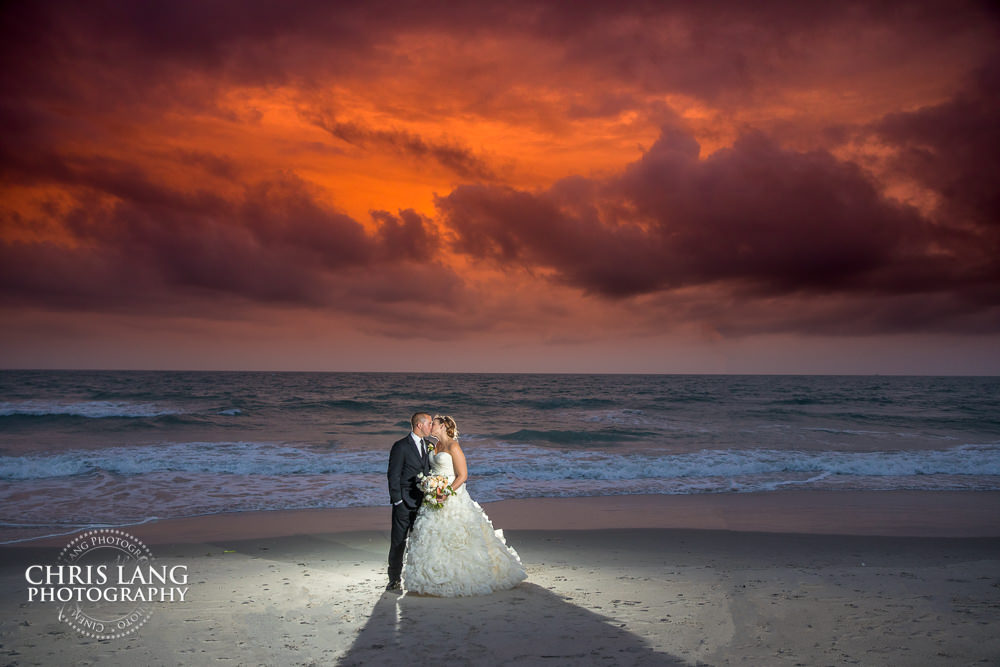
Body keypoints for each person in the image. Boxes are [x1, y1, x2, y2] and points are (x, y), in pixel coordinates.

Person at [402, 415, 527, 596]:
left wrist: (445, 492)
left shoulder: (454, 446)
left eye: (434, 424)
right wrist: (430, 486)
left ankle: (463, 576)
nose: (431, 427)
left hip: (451, 495)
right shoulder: (433, 445)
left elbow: (463, 475)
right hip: (433, 495)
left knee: (457, 536)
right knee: (431, 534)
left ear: (443, 426)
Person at [385, 412, 435, 592]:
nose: (432, 426)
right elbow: (393, 475)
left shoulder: (430, 445)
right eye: (429, 423)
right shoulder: (400, 446)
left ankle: (418, 578)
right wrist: (397, 500)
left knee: (421, 540)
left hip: (425, 502)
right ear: (419, 425)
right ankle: (394, 579)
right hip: (404, 503)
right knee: (399, 541)